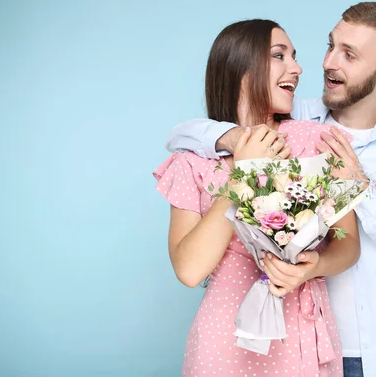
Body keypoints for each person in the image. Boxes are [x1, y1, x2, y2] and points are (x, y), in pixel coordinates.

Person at [164, 2, 376, 377]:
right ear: (241, 67)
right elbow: (188, 133)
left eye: (349, 54)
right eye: (331, 46)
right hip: (223, 342)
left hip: (344, 345)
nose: (324, 63)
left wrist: (359, 189)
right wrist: (239, 150)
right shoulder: (210, 150)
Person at [153, 19, 361, 376]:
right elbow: (189, 270)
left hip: (300, 337)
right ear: (240, 68)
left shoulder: (317, 141)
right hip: (223, 342)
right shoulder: (193, 161)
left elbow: (349, 243)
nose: (296, 68)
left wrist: (316, 267)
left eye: (294, 57)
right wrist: (240, 178)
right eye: (279, 56)